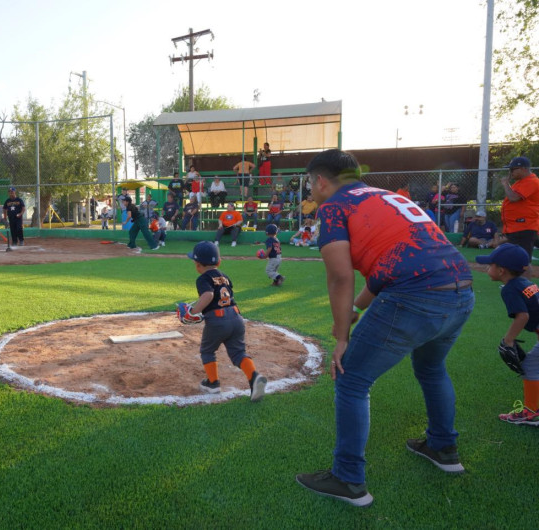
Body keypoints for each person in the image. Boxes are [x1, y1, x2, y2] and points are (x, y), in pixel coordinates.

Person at [296, 149, 474, 508]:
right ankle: (443, 447)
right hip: (461, 292)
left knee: (352, 379)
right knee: (431, 368)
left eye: (309, 184)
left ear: (320, 180)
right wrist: (358, 309)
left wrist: (342, 336)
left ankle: (348, 479)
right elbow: (392, 260)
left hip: (415, 296)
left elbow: (340, 276)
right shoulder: (388, 196)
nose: (310, 192)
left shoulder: (333, 206)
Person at [184, 241, 268, 401]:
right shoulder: (225, 277)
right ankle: (254, 377)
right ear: (219, 262)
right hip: (236, 317)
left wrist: (193, 312)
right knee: (238, 353)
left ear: (197, 264)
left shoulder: (202, 278)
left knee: (207, 351)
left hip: (217, 320)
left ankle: (213, 384)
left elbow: (208, 295)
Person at [475, 244, 539, 425]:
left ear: (501, 270)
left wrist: (508, 339)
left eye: (490, 265)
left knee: (530, 367)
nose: (487, 268)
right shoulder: (526, 282)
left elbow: (523, 316)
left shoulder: (510, 288)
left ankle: (532, 411)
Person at [500, 156, 539, 263]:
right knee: (516, 261)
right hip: (517, 227)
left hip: (524, 227)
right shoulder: (521, 182)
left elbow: (513, 198)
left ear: (523, 169)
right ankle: (518, 280)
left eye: (513, 169)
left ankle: (525, 280)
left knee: (523, 262)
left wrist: (505, 184)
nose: (510, 172)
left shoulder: (531, 181)